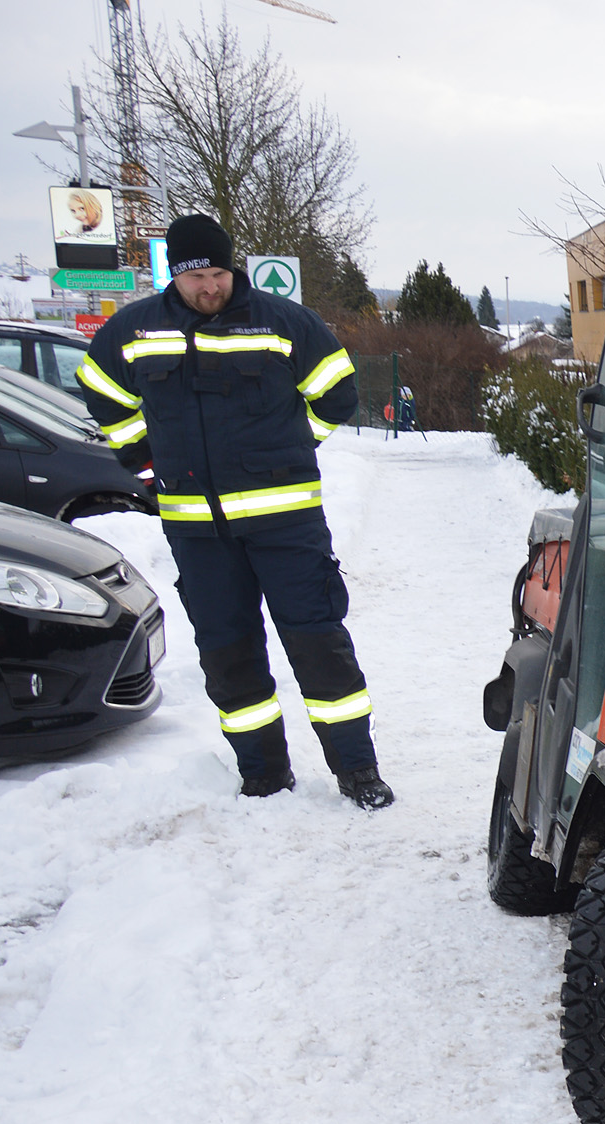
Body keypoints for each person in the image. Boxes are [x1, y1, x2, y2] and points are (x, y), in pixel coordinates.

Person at [73, 212, 393, 808]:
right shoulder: (136, 330)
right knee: (228, 654)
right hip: (198, 533)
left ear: (231, 268)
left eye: (218, 273)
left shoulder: (283, 321)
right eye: (197, 277)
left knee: (319, 646)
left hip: (287, 524)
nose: (209, 288)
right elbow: (102, 388)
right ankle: (264, 774)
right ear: (175, 274)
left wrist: (299, 445)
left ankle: (357, 771)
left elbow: (338, 392)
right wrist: (140, 454)